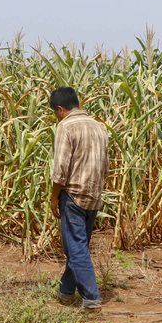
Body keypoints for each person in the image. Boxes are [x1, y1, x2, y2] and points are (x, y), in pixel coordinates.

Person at [49, 86, 109, 311]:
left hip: (73, 194)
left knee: (76, 248)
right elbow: (106, 166)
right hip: (94, 195)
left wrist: (54, 198)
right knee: (79, 246)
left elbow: (60, 169)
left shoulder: (66, 127)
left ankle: (91, 298)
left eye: (56, 112)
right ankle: (66, 293)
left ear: (61, 109)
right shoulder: (99, 127)